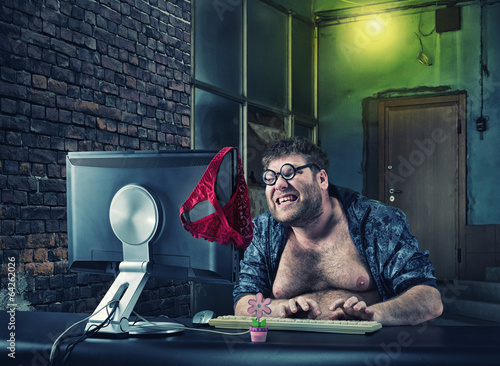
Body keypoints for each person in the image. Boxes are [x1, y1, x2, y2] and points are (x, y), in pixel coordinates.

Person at [233, 137, 443, 325]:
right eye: (270, 177)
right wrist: (279, 309)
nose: (278, 184)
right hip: (288, 350)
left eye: (290, 172)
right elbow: (243, 302)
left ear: (322, 179)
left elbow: (429, 300)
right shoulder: (264, 230)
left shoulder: (377, 221)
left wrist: (371, 315)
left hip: (366, 349)